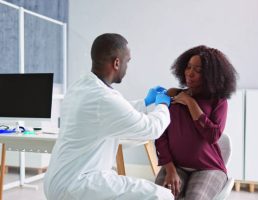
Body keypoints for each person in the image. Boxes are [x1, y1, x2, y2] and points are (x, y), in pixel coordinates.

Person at [44, 33, 174, 200]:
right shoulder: (103, 98)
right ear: (117, 63)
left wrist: (145, 102)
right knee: (161, 196)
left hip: (59, 179)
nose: (127, 66)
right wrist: (163, 105)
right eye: (128, 61)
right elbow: (151, 128)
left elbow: (113, 112)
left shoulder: (82, 86)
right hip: (77, 183)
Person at [155, 45, 237, 200]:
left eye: (198, 71)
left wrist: (191, 102)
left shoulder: (218, 101)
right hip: (176, 166)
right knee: (159, 196)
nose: (190, 73)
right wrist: (170, 170)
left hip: (209, 168)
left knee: (195, 198)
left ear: (210, 75)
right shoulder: (173, 95)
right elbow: (160, 135)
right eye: (188, 67)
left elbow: (213, 135)